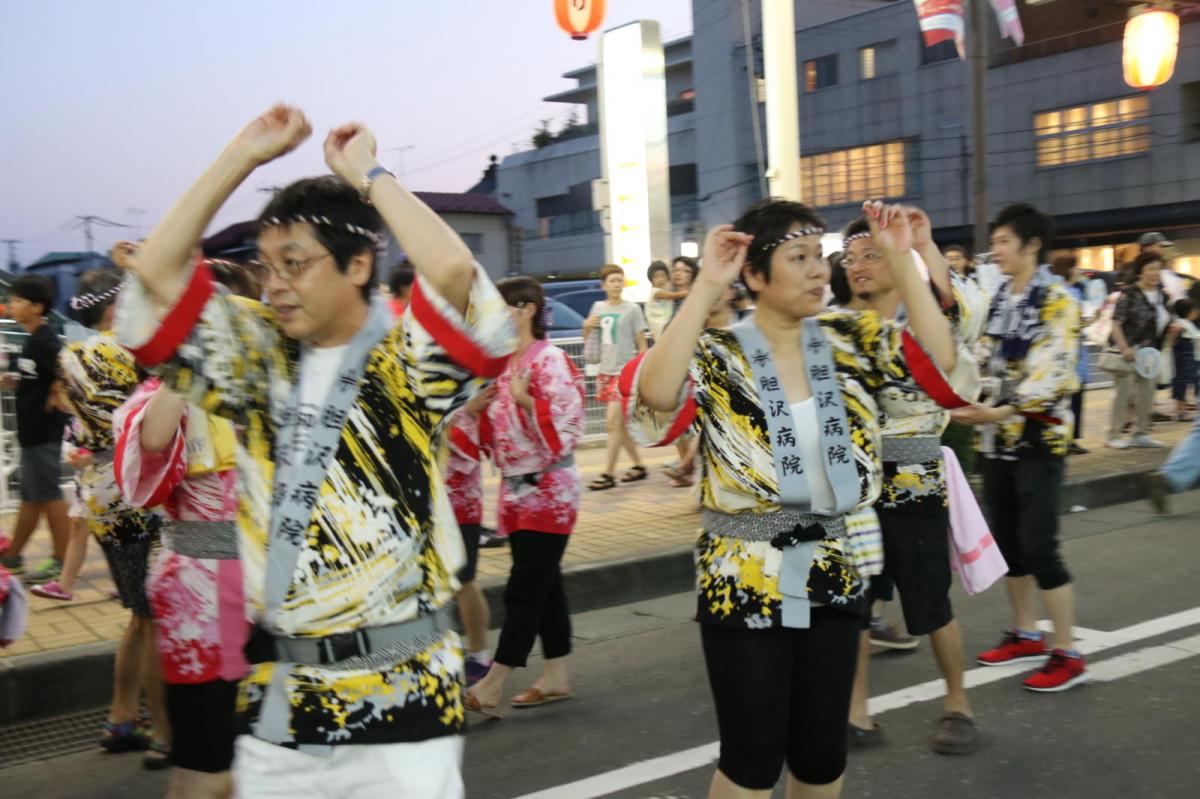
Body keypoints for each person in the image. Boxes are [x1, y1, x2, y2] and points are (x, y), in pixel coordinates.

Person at [113, 105, 513, 798]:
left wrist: (368, 176)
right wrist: (243, 154)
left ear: (360, 263)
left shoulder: (406, 356)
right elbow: (153, 271)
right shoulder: (258, 352)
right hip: (281, 691)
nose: (274, 285)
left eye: (294, 264)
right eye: (264, 267)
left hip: (404, 685)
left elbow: (451, 269)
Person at [625, 199, 956, 798]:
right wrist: (704, 288)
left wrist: (905, 259)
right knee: (752, 759)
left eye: (818, 258)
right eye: (797, 258)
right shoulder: (719, 352)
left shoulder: (853, 337)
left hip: (835, 568)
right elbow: (655, 393)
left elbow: (942, 362)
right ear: (754, 274)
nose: (816, 271)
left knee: (820, 757)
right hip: (746, 573)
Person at [842, 207, 988, 754]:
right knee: (854, 603)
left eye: (870, 254)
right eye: (849, 258)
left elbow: (964, 314)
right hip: (856, 490)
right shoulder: (841, 329)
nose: (857, 265)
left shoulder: (927, 323)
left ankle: (958, 703)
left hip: (915, 481)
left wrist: (922, 247)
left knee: (931, 604)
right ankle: (857, 710)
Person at [950, 202, 1088, 693]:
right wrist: (964, 396)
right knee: (1010, 543)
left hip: (1037, 437)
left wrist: (996, 410)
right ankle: (1027, 632)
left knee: (1040, 544)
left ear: (1033, 245)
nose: (996, 251)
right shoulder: (1000, 298)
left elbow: (1052, 374)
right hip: (997, 438)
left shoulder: (1059, 300)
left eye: (1005, 241)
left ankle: (1067, 652)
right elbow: (982, 357)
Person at [114, 377, 247, 797]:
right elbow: (152, 442)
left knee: (267, 762)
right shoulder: (164, 392)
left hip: (279, 596)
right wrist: (187, 357)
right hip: (203, 602)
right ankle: (166, 734)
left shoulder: (270, 370)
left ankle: (166, 735)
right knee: (206, 774)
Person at [58, 268, 170, 764]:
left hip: (98, 492)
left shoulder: (72, 354)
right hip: (137, 491)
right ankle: (157, 727)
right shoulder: (133, 351)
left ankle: (122, 715)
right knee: (151, 618)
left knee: (137, 616)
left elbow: (81, 430)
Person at [465, 277, 585, 715]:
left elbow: (569, 429)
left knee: (525, 588)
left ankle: (495, 680)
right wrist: (476, 411)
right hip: (516, 492)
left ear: (527, 309)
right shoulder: (501, 364)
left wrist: (527, 402)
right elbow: (491, 433)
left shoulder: (549, 360)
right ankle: (556, 675)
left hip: (550, 489)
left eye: (501, 307)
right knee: (544, 585)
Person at [0, 275, 71, 580]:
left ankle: (61, 560)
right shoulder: (33, 340)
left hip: (43, 433)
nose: (11, 305)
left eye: (17, 300)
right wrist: (15, 382)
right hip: (31, 434)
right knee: (31, 498)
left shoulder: (44, 340)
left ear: (37, 306)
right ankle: (13, 557)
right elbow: (42, 377)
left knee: (50, 496)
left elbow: (67, 368)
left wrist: (57, 392)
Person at [584, 264, 649, 490]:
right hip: (605, 371)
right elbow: (591, 340)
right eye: (612, 281)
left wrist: (641, 371)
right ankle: (639, 465)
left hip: (624, 372)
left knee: (612, 423)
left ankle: (608, 474)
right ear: (604, 285)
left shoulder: (632, 309)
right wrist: (585, 326)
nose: (616, 284)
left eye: (620, 280)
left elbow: (641, 344)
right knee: (619, 426)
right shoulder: (598, 307)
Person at [1103, 252, 1178, 449]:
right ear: (1140, 272)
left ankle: (1141, 433)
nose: (1155, 273)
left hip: (1150, 351)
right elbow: (1116, 324)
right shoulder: (1129, 294)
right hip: (1129, 349)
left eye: (1158, 269)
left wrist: (1171, 329)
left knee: (1147, 393)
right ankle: (1114, 435)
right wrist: (1124, 348)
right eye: (1150, 269)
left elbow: (1164, 319)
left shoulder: (1162, 295)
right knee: (1124, 394)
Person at [444, 402, 495, 686]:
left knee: (463, 580)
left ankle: (480, 656)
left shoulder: (466, 381)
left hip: (458, 499)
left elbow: (470, 443)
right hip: (423, 500)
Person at [1050, 255, 1091, 454]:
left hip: (1075, 352)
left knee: (1075, 398)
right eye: (1076, 268)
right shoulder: (1063, 292)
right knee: (1068, 399)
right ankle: (1067, 439)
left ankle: (1071, 438)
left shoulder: (1076, 290)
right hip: (1067, 355)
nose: (1079, 272)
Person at [1169, 298, 1197, 421]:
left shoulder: (1187, 323)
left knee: (1186, 382)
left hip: (1190, 358)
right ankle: (1181, 410)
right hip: (1184, 358)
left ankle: (1183, 408)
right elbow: (1173, 337)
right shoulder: (1180, 324)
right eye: (1195, 310)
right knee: (1182, 382)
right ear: (1189, 312)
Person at [644, 260, 675, 340]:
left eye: (662, 276)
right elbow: (671, 296)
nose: (660, 279)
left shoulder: (664, 289)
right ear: (651, 279)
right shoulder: (655, 292)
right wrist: (688, 292)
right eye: (656, 277)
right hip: (659, 327)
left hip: (665, 326)